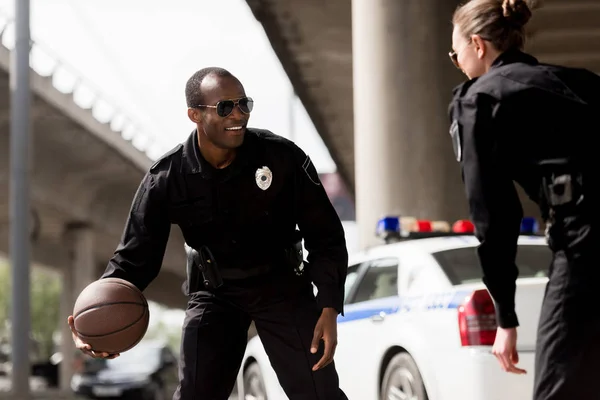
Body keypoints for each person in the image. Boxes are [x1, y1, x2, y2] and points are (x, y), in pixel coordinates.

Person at [67, 67, 350, 400]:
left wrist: (328, 305)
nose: (239, 115)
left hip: (283, 287)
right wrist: (97, 323)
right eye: (226, 107)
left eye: (244, 104)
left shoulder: (281, 157)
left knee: (319, 394)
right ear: (195, 114)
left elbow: (326, 235)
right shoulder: (167, 178)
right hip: (216, 294)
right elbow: (134, 257)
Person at [448, 0, 600, 399]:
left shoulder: (480, 99)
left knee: (559, 388)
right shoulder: (582, 81)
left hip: (585, 243)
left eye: (456, 54)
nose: (457, 62)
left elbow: (494, 216)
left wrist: (506, 318)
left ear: (478, 46)